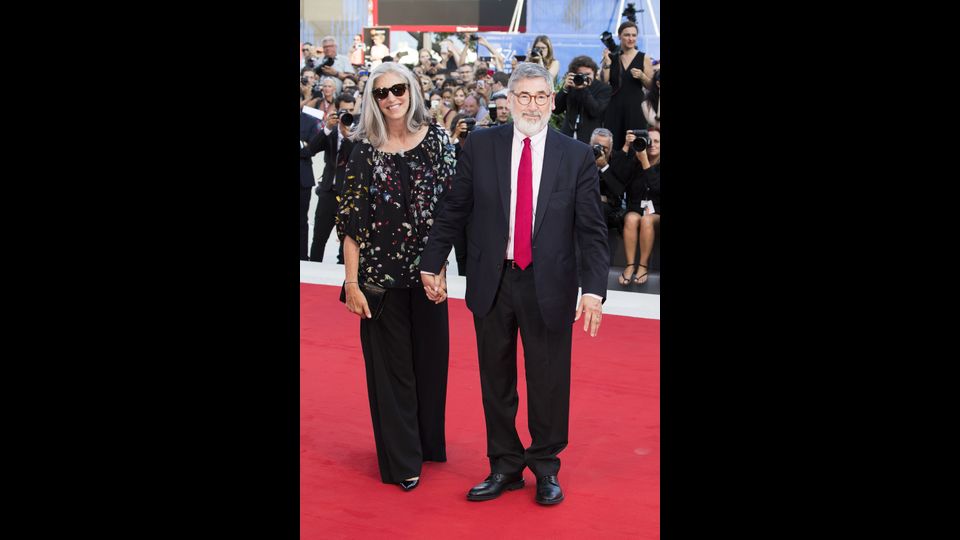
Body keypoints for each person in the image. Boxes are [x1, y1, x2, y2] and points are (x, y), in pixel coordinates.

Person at [419, 62, 609, 505]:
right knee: (496, 381)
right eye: (523, 96)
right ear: (507, 100)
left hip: (551, 285)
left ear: (553, 101)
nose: (532, 104)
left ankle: (545, 466)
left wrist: (594, 290)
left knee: (548, 382)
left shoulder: (575, 155)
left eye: (541, 96)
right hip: (493, 280)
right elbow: (454, 208)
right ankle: (504, 464)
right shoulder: (481, 146)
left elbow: (592, 232)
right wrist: (433, 261)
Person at [336, 61, 457, 491]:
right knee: (393, 374)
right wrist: (352, 284)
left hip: (427, 277)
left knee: (430, 366)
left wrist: (439, 269)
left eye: (398, 89)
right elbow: (350, 221)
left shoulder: (439, 140)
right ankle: (403, 461)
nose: (391, 98)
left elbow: (449, 212)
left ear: (413, 90)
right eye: (381, 93)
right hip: (378, 281)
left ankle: (425, 444)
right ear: (372, 99)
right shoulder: (363, 148)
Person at [309, 93, 357, 263]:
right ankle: (313, 270)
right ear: (336, 110)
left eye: (351, 110)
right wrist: (327, 129)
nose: (348, 114)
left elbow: (356, 158)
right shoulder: (329, 131)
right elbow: (311, 149)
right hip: (328, 191)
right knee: (319, 238)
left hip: (349, 195)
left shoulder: (359, 131)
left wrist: (347, 135)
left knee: (347, 242)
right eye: (344, 110)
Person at [600, 21, 655, 151]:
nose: (631, 38)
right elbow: (603, 82)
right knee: (613, 145)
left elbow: (651, 87)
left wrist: (642, 76)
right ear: (619, 36)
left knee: (636, 145)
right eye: (627, 35)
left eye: (634, 35)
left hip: (635, 107)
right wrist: (607, 63)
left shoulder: (644, 58)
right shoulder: (612, 57)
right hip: (614, 107)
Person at [617, 128, 660, 284]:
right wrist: (627, 147)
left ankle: (642, 266)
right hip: (636, 209)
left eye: (657, 141)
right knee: (631, 219)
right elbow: (619, 178)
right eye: (650, 141)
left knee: (647, 220)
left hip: (657, 213)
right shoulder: (636, 160)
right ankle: (629, 266)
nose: (652, 145)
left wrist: (645, 163)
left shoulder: (646, 162)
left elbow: (656, 188)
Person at [554, 55, 612, 144]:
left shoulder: (603, 88)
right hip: (568, 135)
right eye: (581, 75)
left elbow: (595, 111)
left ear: (594, 73)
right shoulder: (571, 86)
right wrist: (565, 89)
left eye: (588, 74)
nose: (585, 77)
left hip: (589, 138)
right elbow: (556, 109)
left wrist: (583, 88)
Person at [300, 98, 322, 260]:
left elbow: (310, 150)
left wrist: (305, 147)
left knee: (302, 220)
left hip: (303, 178)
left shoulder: (309, 121)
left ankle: (302, 257)